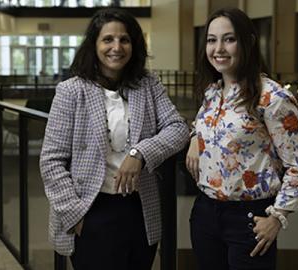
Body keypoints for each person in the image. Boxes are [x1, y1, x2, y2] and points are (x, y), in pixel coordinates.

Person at [40, 8, 189, 270]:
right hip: (90, 210)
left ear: (134, 45)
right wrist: (76, 215)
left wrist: (139, 153)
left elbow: (177, 128)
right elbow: (51, 161)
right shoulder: (71, 91)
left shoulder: (148, 84)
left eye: (125, 39)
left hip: (139, 210)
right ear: (94, 45)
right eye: (108, 39)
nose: (116, 47)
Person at [185, 8, 298, 270]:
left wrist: (277, 218)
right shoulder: (213, 92)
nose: (218, 48)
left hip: (250, 217)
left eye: (229, 39)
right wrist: (194, 138)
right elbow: (202, 124)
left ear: (248, 42)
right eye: (212, 40)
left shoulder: (272, 98)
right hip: (205, 213)